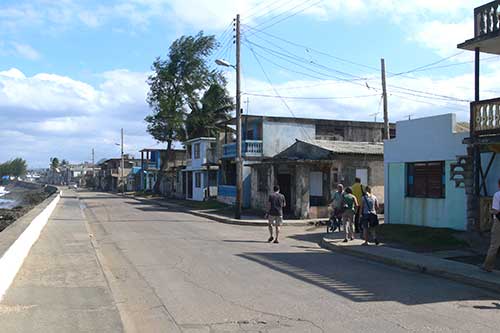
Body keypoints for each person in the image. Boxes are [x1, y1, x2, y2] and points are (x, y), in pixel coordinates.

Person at [480, 179, 500, 272]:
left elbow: (496, 210)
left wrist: (491, 211)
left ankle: (487, 265)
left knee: (494, 245)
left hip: (499, 222)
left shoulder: (497, 194)